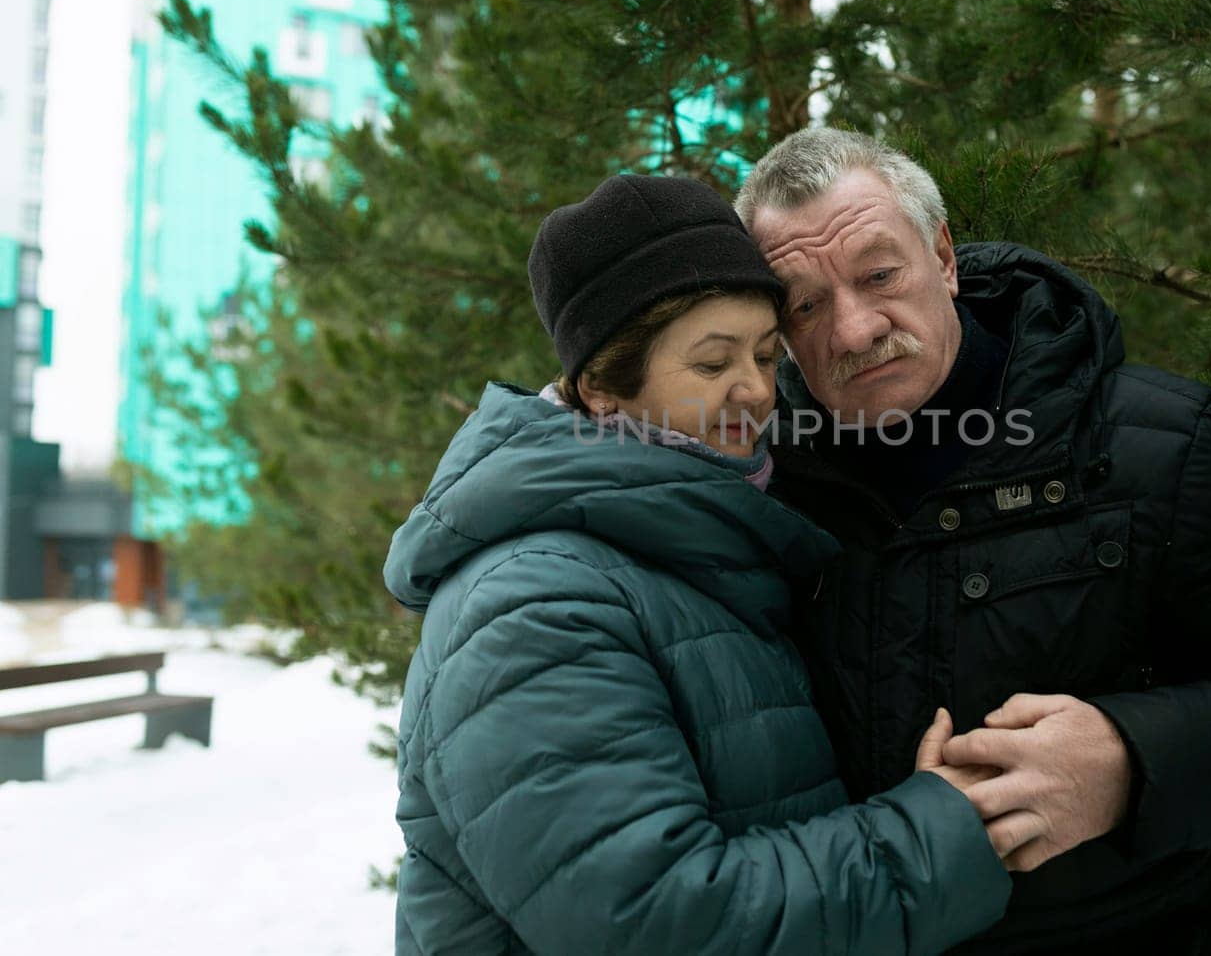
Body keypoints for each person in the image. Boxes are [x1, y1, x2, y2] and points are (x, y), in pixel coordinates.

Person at [734, 128, 1211, 956]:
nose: (856, 328)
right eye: (805, 303)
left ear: (942, 255)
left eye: (878, 273)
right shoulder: (758, 493)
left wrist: (1129, 762)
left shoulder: (1161, 448)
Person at [384, 174, 1014, 955]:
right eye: (713, 363)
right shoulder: (533, 603)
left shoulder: (701, 549)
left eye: (762, 353)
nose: (755, 390)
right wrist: (937, 832)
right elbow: (653, 921)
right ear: (603, 390)